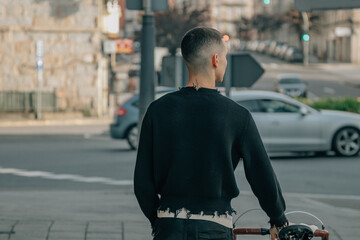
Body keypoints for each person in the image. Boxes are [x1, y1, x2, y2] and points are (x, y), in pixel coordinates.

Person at [134, 27, 288, 240]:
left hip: (168, 225)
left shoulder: (157, 110)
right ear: (216, 59)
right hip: (214, 226)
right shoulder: (237, 115)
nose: (224, 62)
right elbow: (262, 176)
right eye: (224, 57)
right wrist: (278, 218)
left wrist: (158, 221)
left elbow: (142, 182)